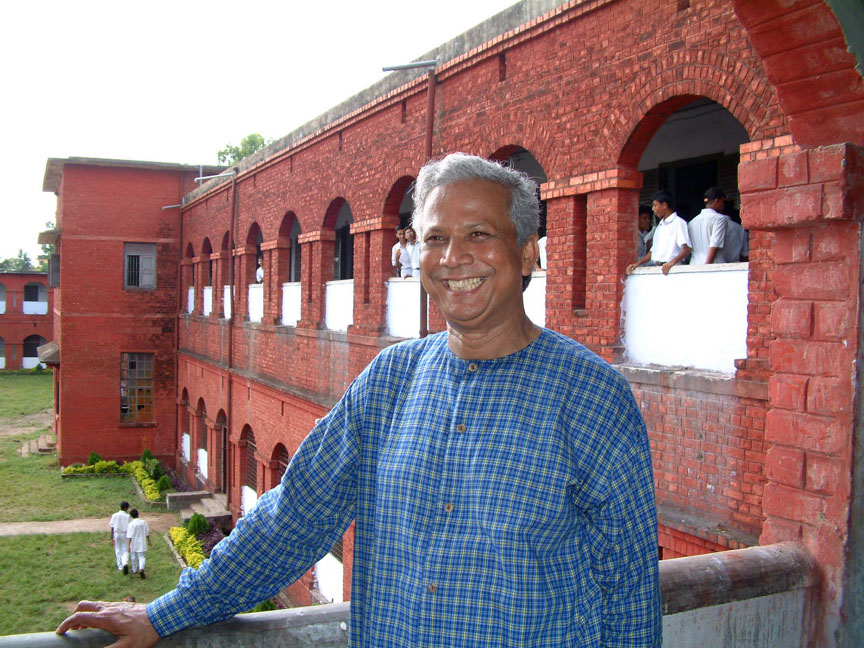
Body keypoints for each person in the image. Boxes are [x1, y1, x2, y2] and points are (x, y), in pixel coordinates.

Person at [58, 153, 661, 647]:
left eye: (480, 234)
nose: (454, 258)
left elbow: (629, 596)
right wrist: (164, 615)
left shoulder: (589, 397)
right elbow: (294, 518)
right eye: (435, 238)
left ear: (529, 252)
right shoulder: (390, 383)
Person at [627, 189, 691, 275]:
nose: (653, 209)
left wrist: (672, 262)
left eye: (655, 205)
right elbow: (653, 252)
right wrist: (637, 263)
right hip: (658, 268)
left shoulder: (678, 223)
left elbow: (687, 248)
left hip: (673, 270)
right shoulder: (660, 226)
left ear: (664, 205)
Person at [688, 187, 728, 264]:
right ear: (717, 201)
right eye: (723, 202)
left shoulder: (692, 222)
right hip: (712, 265)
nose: (723, 205)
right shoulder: (720, 219)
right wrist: (706, 266)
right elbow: (714, 243)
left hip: (694, 264)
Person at [126, 509, 151, 579]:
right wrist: (149, 541)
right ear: (138, 514)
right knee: (141, 557)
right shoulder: (143, 522)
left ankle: (134, 570)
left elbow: (129, 536)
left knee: (133, 556)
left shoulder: (131, 524)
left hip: (133, 542)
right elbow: (147, 532)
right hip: (142, 542)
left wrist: (128, 546)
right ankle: (141, 568)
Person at [108, 501, 131, 575]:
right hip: (125, 534)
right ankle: (125, 563)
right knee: (125, 549)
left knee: (118, 549)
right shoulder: (127, 516)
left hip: (116, 533)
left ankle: (120, 566)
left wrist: (112, 537)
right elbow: (130, 527)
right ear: (126, 508)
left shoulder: (114, 515)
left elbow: (112, 527)